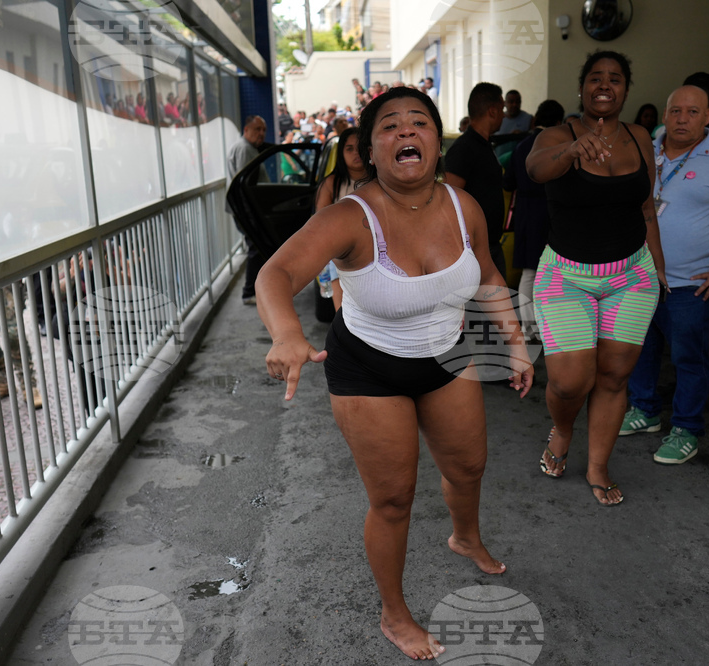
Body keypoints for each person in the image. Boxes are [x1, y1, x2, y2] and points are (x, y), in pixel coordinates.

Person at [255, 87, 533, 660]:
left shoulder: (464, 206)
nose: (406, 131)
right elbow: (275, 274)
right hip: (369, 371)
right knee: (393, 500)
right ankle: (394, 613)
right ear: (369, 151)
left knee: (469, 467)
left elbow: (486, 275)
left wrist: (515, 343)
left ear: (437, 141)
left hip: (448, 357)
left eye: (419, 122)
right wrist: (286, 334)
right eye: (389, 126)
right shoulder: (348, 217)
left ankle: (465, 537)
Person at [526, 51, 665, 505]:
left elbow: (646, 207)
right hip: (566, 276)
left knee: (614, 376)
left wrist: (659, 265)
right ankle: (563, 429)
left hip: (632, 275)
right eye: (596, 78)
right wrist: (570, 152)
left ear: (626, 88)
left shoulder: (639, 137)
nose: (605, 85)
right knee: (569, 382)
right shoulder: (555, 135)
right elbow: (535, 169)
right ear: (582, 86)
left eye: (615, 78)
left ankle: (598, 466)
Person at [620, 85, 709, 465]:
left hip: (690, 284)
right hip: (638, 278)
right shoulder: (643, 150)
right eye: (675, 111)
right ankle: (644, 410)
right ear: (665, 115)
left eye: (692, 112)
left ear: (707, 116)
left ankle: (686, 428)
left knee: (689, 359)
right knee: (639, 350)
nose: (682, 119)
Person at [502, 99, 565, 340]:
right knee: (551, 272)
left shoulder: (521, 146)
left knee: (529, 272)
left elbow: (508, 182)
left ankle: (529, 329)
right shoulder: (557, 146)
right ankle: (548, 325)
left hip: (525, 212)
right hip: (550, 211)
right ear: (558, 122)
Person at [445, 82, 507, 280]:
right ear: (493, 111)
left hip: (490, 245)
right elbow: (449, 201)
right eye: (502, 109)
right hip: (473, 251)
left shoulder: (484, 145)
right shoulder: (464, 148)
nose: (504, 115)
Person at [313, 127, 365, 310]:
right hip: (339, 253)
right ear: (341, 153)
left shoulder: (381, 181)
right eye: (349, 148)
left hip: (378, 252)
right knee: (343, 312)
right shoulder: (331, 183)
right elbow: (320, 225)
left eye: (360, 147)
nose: (356, 153)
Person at [226, 115, 268, 305]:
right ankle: (249, 292)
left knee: (257, 247)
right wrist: (252, 215)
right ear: (246, 129)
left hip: (246, 209)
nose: (261, 133)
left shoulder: (248, 147)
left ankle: (255, 289)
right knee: (256, 248)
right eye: (257, 129)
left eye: (263, 130)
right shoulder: (244, 149)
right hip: (246, 210)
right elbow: (245, 186)